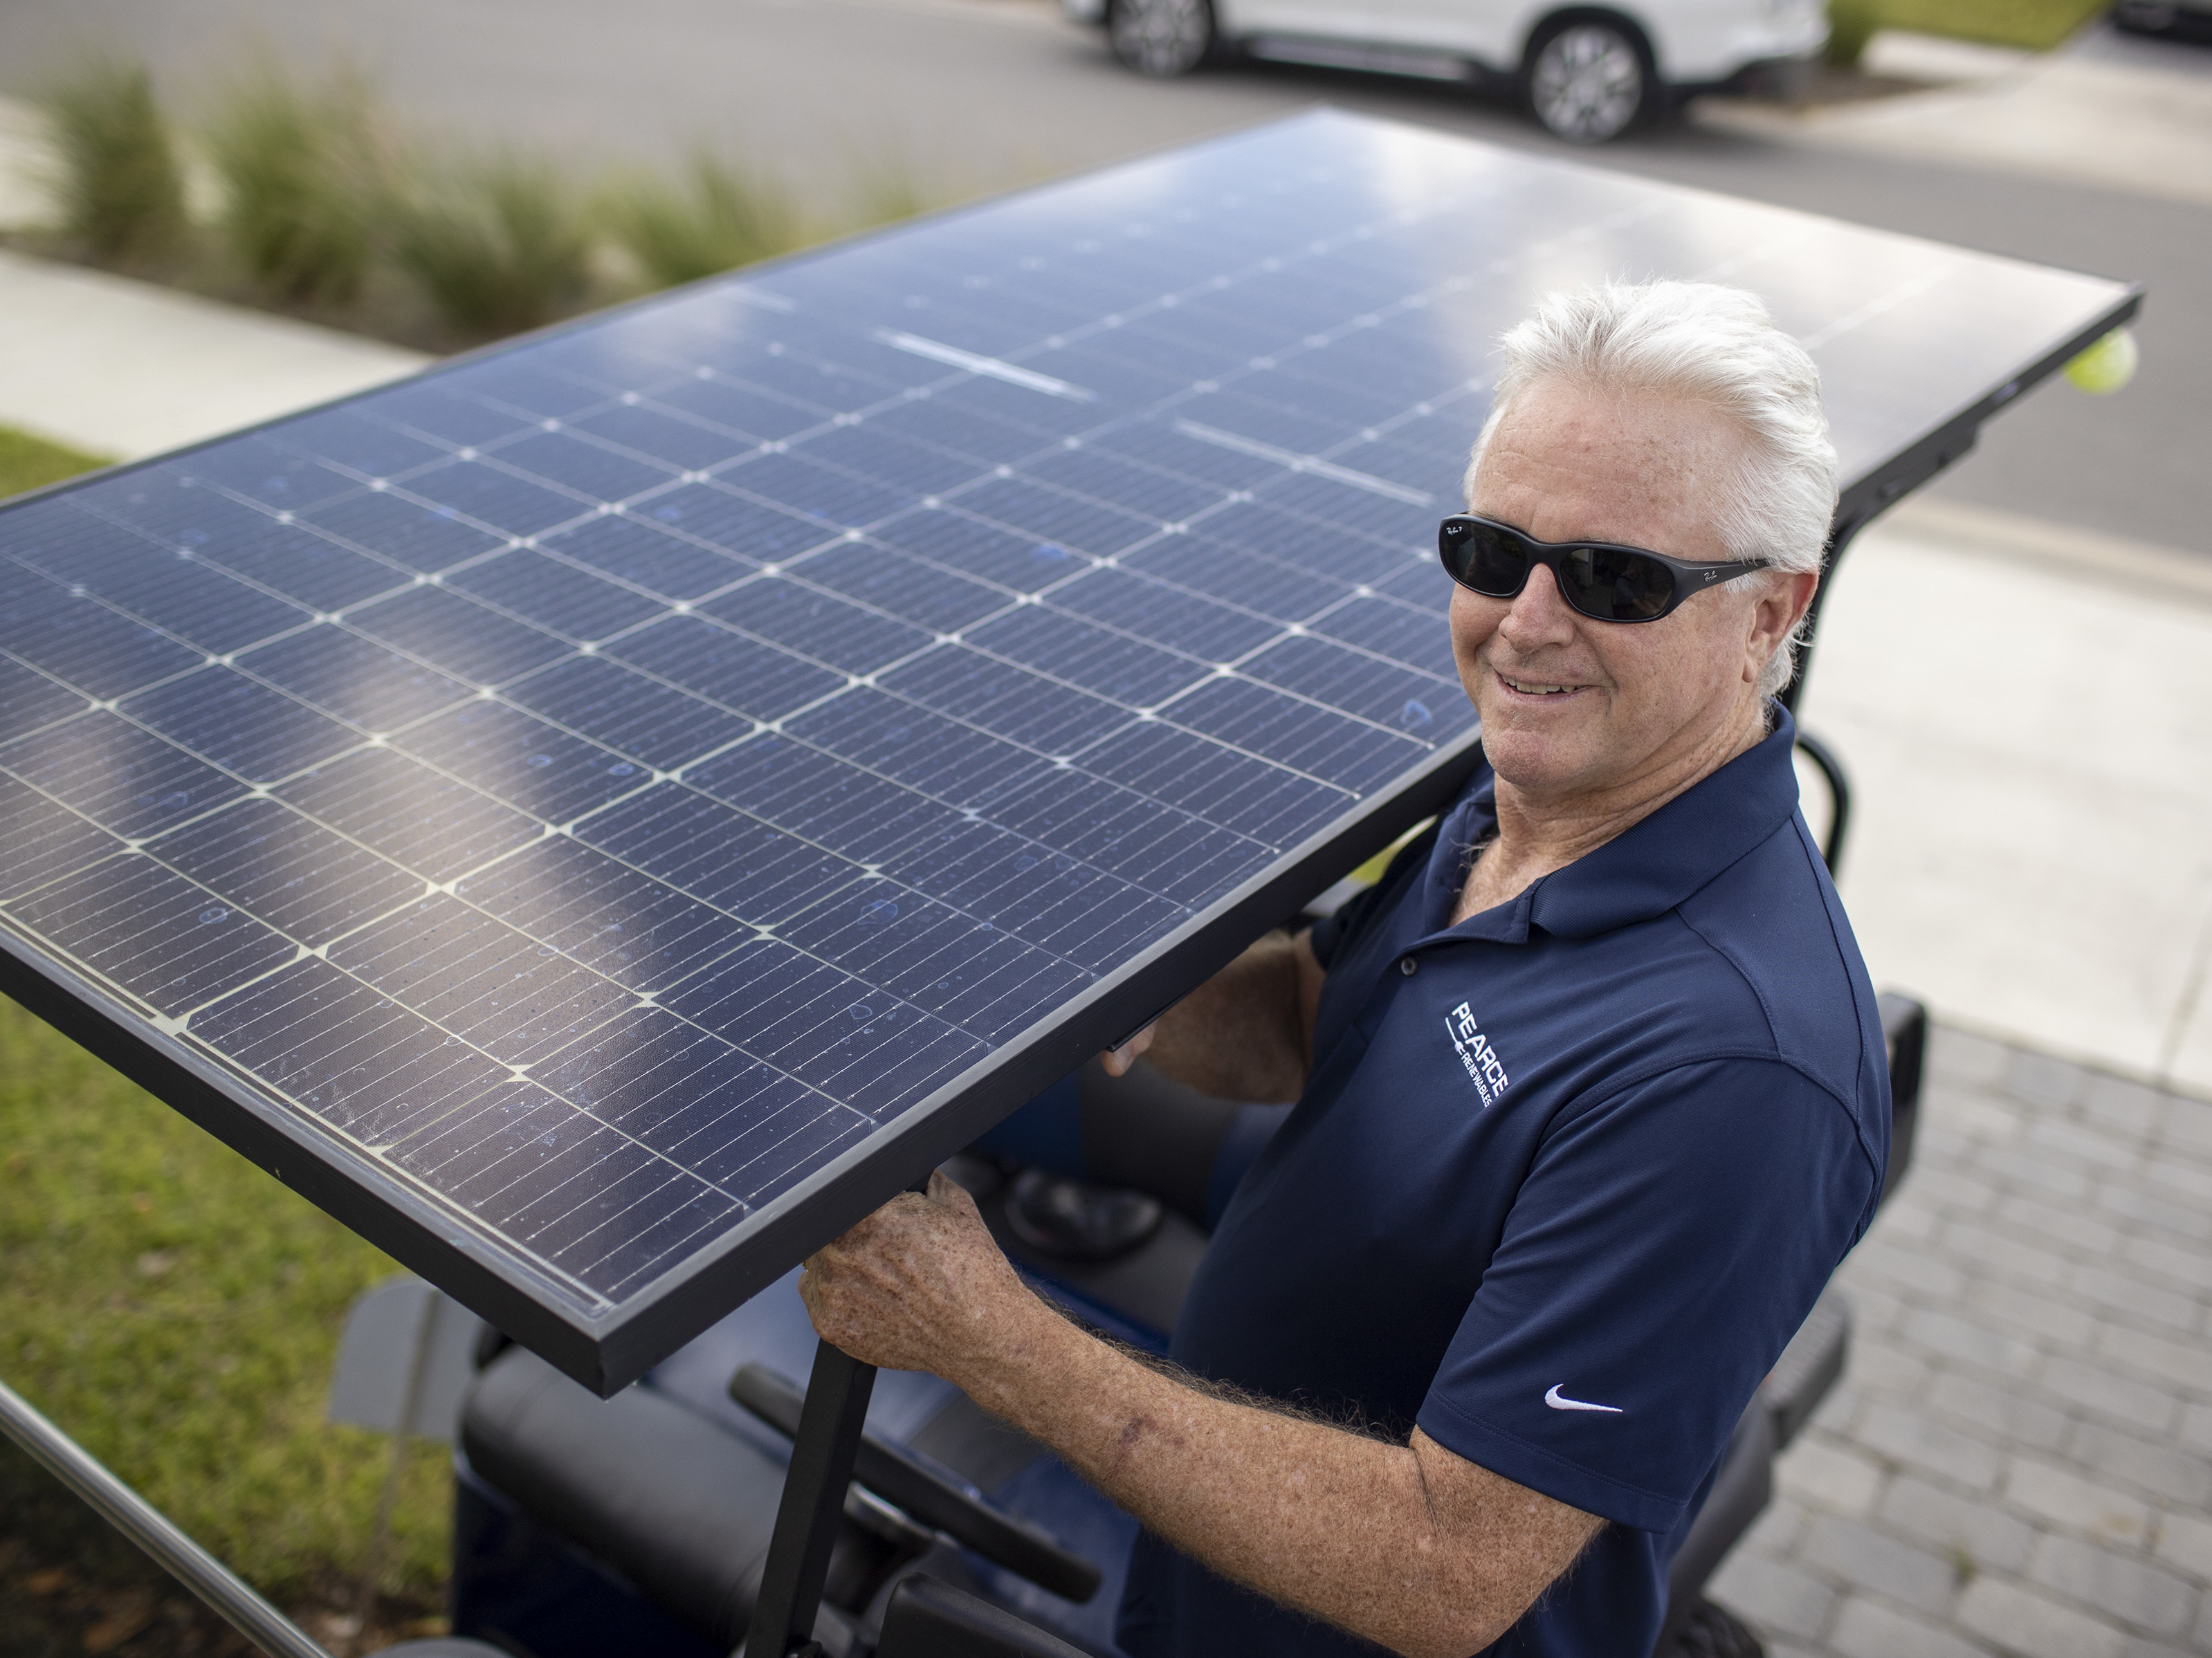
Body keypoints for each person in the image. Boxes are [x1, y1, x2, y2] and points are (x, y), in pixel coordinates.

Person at [796, 280, 1890, 1658]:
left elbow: (1445, 1564)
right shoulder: (1526, 799)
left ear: (1767, 613)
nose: (1528, 623)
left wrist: (990, 1336)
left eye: (1619, 578)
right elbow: (1328, 1018)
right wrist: (1151, 987)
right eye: (1494, 551)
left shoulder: (1738, 1074)